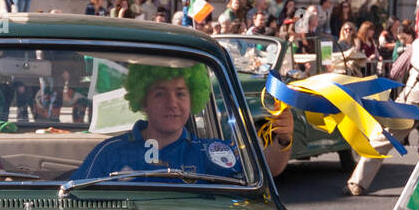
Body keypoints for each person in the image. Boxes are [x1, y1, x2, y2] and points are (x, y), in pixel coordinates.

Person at [70, 62, 291, 181]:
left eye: (181, 94)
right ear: (143, 102)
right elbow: (75, 201)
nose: (172, 103)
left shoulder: (209, 153)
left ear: (193, 99)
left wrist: (283, 139)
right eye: (160, 94)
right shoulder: (110, 152)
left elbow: (266, 169)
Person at [348, 16, 419, 196]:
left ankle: (357, 183)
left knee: (383, 139)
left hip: (415, 98)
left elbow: (396, 70)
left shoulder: (418, 44)